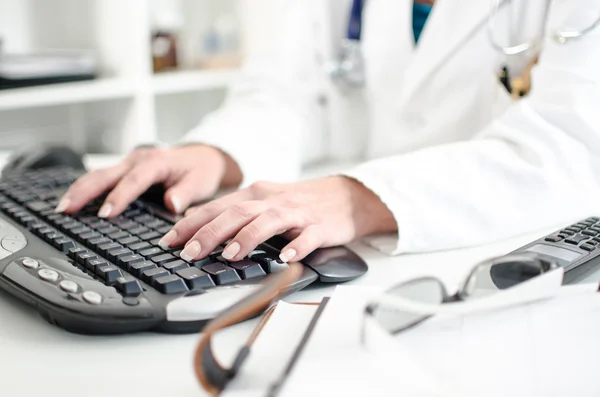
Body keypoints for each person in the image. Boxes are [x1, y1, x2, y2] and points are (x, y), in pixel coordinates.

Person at [56, 0, 600, 264]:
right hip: (363, 265)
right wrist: (216, 152)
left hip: (514, 269)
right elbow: (292, 89)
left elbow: (571, 147)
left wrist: (358, 197)